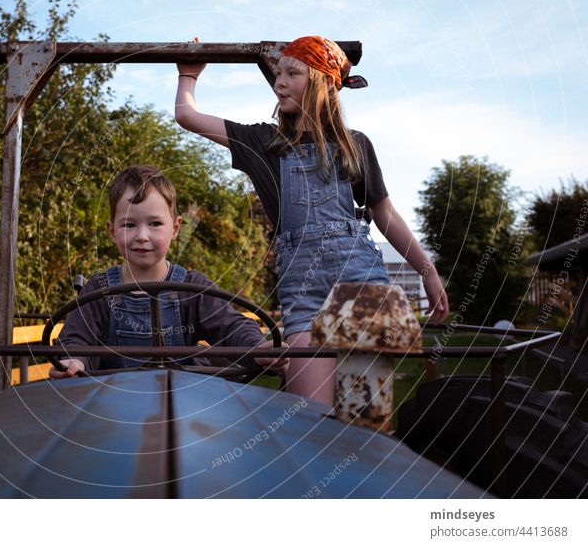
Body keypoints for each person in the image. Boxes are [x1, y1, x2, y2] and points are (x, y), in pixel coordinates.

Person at [174, 36, 449, 404]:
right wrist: (188, 75)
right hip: (302, 293)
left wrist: (427, 271)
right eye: (278, 74)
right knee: (307, 419)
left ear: (321, 82)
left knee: (363, 415)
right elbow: (186, 116)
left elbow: (385, 215)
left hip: (360, 283)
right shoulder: (263, 142)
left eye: (292, 73)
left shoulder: (355, 145)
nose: (279, 83)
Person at [49, 164, 287, 378]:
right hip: (116, 409)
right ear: (112, 231)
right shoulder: (99, 291)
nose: (142, 236)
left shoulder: (192, 288)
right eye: (129, 225)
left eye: (154, 224)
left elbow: (231, 326)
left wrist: (257, 348)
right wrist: (74, 360)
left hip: (182, 409)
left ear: (175, 228)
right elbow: (76, 339)